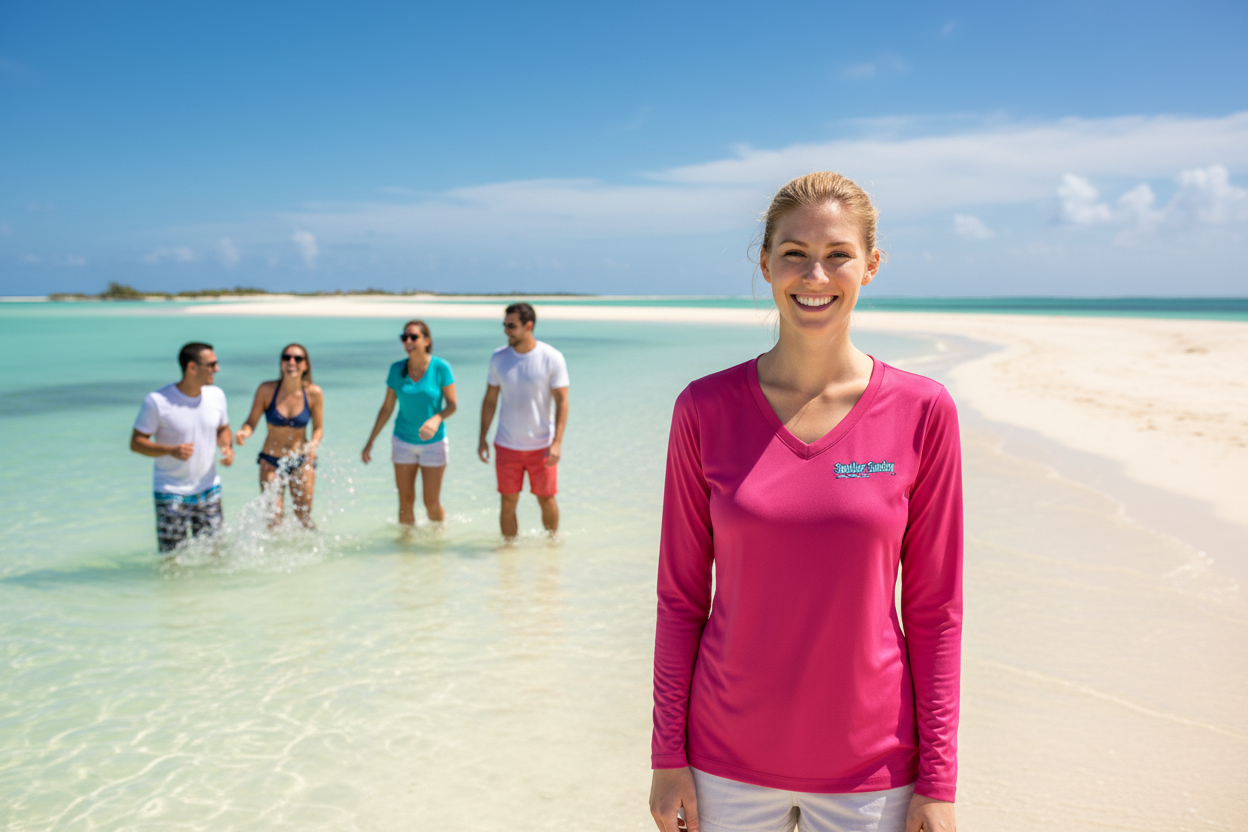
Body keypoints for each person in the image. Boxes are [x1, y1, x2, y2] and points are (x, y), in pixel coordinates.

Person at [649, 173, 962, 832]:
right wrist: (667, 755)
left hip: (873, 772)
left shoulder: (922, 412)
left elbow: (935, 610)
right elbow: (680, 599)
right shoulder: (703, 409)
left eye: (838, 254)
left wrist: (938, 781)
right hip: (722, 767)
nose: (814, 274)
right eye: (793, 252)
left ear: (870, 266)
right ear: (764, 264)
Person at [130, 342, 235, 553]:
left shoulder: (216, 395)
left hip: (209, 490)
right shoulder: (158, 402)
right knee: (173, 560)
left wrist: (227, 447)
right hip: (171, 492)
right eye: (211, 364)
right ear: (192, 367)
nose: (217, 369)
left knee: (216, 555)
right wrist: (170, 450)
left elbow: (223, 428)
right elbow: (136, 443)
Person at [477, 303, 570, 539]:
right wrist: (482, 438)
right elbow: (490, 401)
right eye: (505, 326)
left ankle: (551, 547)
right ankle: (508, 556)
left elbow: (562, 402)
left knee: (546, 499)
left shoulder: (551, 357)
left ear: (528, 326)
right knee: (508, 501)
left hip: (541, 446)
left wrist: (557, 442)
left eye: (512, 326)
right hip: (507, 445)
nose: (506, 331)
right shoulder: (498, 358)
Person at [361, 320, 458, 526]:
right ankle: (406, 552)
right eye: (404, 337)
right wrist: (370, 441)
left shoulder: (441, 367)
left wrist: (436, 419)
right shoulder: (396, 369)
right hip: (403, 441)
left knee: (431, 502)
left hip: (434, 444)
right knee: (405, 502)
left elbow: (452, 405)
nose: (408, 341)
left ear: (426, 340)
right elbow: (387, 408)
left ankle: (437, 544)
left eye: (414, 337)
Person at [234, 343, 325, 527]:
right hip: (271, 461)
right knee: (273, 519)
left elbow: (318, 428)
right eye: (286, 357)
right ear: (281, 363)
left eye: (298, 359)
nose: (291, 362)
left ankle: (312, 552)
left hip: (301, 460)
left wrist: (313, 445)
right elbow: (251, 422)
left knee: (303, 516)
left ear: (305, 365)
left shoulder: (313, 393)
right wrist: (244, 432)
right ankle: (273, 555)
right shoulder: (266, 390)